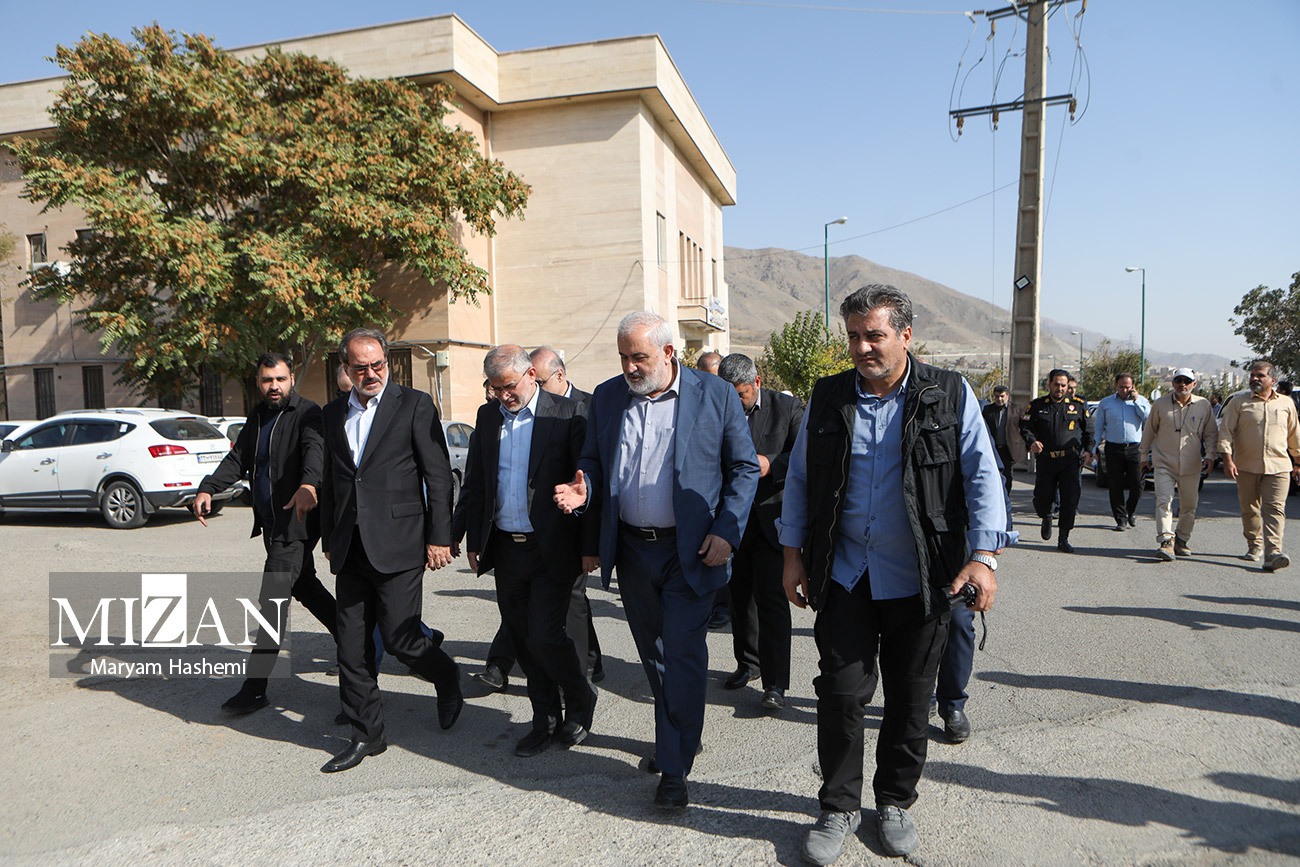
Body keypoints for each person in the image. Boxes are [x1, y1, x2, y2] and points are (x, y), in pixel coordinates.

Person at [781, 285, 1012, 862]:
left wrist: (984, 557)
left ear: (906, 336)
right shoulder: (828, 397)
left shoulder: (948, 394)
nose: (862, 347)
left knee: (910, 697)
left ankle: (894, 801)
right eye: (854, 336)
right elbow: (801, 480)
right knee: (840, 694)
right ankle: (838, 806)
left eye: (875, 335)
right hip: (846, 574)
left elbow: (983, 476)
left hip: (924, 576)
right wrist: (791, 556)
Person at [554, 311, 759, 811]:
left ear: (669, 352)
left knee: (682, 655)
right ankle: (682, 736)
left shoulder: (714, 395)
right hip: (632, 550)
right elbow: (594, 461)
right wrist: (586, 487)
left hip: (691, 550)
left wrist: (727, 531)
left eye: (639, 357)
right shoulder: (608, 397)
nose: (629, 366)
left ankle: (673, 769)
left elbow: (743, 468)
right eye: (623, 356)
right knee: (655, 657)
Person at [317, 327, 463, 773]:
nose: (371, 374)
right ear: (346, 368)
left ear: (387, 362)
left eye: (378, 365)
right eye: (361, 367)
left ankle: (447, 676)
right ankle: (368, 734)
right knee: (351, 647)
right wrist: (329, 537)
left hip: (400, 542)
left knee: (402, 639)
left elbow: (438, 475)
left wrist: (440, 537)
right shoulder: (332, 414)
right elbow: (332, 480)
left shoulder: (414, 405)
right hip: (350, 547)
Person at [461, 345, 597, 757]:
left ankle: (580, 698)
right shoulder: (487, 418)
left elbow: (588, 481)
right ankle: (545, 720)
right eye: (495, 388)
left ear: (531, 376)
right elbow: (477, 482)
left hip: (552, 547)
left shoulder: (568, 414)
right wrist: (472, 539)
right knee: (522, 640)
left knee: (545, 635)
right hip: (506, 548)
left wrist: (590, 546)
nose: (503, 396)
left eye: (509, 386)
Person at [193, 352, 336, 715]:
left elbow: (315, 452)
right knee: (305, 586)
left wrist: (309, 484)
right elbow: (238, 459)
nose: (274, 386)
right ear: (258, 382)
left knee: (272, 601)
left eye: (280, 379)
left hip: (296, 523)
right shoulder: (258, 416)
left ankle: (255, 688)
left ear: (292, 380)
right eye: (267, 380)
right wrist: (209, 487)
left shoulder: (308, 412)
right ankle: (358, 639)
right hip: (273, 525)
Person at [715, 352, 803, 711]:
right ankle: (747, 663)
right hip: (732, 522)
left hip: (772, 519)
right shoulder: (716, 409)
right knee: (739, 599)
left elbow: (805, 454)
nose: (736, 401)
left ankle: (775, 683)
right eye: (730, 395)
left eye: (742, 394)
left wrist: (772, 464)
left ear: (757, 382)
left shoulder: (787, 408)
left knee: (771, 600)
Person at [1217, 360, 1300, 570]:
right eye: (1253, 375)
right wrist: (1227, 459)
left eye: (1260, 375)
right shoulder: (1239, 402)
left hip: (1279, 466)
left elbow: (1294, 434)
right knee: (1250, 509)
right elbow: (1226, 432)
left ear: (1273, 380)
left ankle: (1273, 552)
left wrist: (1298, 461)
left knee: (1275, 509)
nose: (1255, 378)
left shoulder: (1286, 403)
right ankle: (1254, 545)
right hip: (1246, 466)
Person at [1139, 368, 1217, 561]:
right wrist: (1143, 456)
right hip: (1164, 463)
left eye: (1187, 381)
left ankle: (1181, 539)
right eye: (1178, 381)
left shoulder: (1203, 405)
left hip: (1191, 464)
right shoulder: (1160, 404)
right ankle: (1166, 540)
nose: (1182, 384)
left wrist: (1210, 456)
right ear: (1173, 383)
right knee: (1164, 500)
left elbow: (1210, 434)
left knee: (1189, 505)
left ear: (1194, 384)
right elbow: (1149, 431)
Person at [1020, 369, 1093, 553]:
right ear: (1049, 385)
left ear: (1067, 386)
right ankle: (1046, 516)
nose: (1059, 388)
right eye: (1056, 384)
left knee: (1070, 499)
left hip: (1070, 460)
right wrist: (1032, 441)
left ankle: (1063, 538)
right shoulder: (1037, 405)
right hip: (1046, 460)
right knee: (1042, 498)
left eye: (1063, 385)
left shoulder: (1078, 405)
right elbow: (1025, 426)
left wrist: (1088, 451)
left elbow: (1089, 430)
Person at [1092, 373, 1151, 531]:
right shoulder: (1106, 403)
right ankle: (1120, 518)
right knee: (1115, 484)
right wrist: (1094, 447)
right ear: (1116, 386)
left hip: (1135, 448)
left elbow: (1148, 418)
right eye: (1121, 387)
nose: (1124, 390)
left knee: (1138, 482)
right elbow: (1099, 427)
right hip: (1113, 447)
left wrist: (1136, 401)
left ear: (1133, 386)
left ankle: (1130, 510)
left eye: (1127, 387)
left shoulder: (1141, 401)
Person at [981, 385, 1026, 496]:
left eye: (1002, 396)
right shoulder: (987, 410)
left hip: (1008, 448)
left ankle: (1006, 497)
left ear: (1007, 396)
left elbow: (1024, 427)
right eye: (997, 396)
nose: (999, 399)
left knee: (1007, 475)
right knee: (993, 474)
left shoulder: (1016, 409)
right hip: (993, 448)